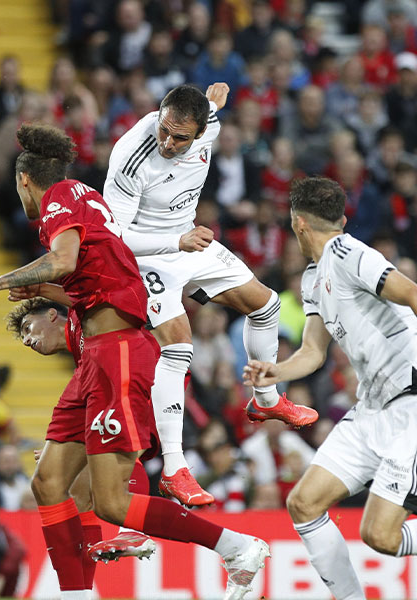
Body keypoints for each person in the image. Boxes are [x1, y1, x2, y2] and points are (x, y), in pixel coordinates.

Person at [0, 124, 269, 600]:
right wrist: (42, 287)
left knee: (112, 502)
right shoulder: (84, 196)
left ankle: (236, 547)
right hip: (96, 357)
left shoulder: (59, 198)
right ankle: (76, 595)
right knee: (49, 482)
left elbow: (64, 260)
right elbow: (97, 278)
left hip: (118, 350)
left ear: (24, 180)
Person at [102, 83, 316, 506]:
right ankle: (174, 468)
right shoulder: (131, 155)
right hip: (146, 256)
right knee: (178, 346)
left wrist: (214, 98)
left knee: (266, 304)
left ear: (201, 132)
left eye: (180, 137)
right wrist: (175, 243)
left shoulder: (210, 125)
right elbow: (114, 237)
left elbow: (212, 105)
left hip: (189, 240)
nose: (167, 142)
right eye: (164, 130)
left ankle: (265, 400)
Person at [243, 176, 417, 600]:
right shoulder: (312, 277)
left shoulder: (349, 253)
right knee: (303, 504)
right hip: (370, 409)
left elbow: (412, 292)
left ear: (298, 223)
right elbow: (313, 352)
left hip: (409, 405)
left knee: (380, 535)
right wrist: (276, 371)